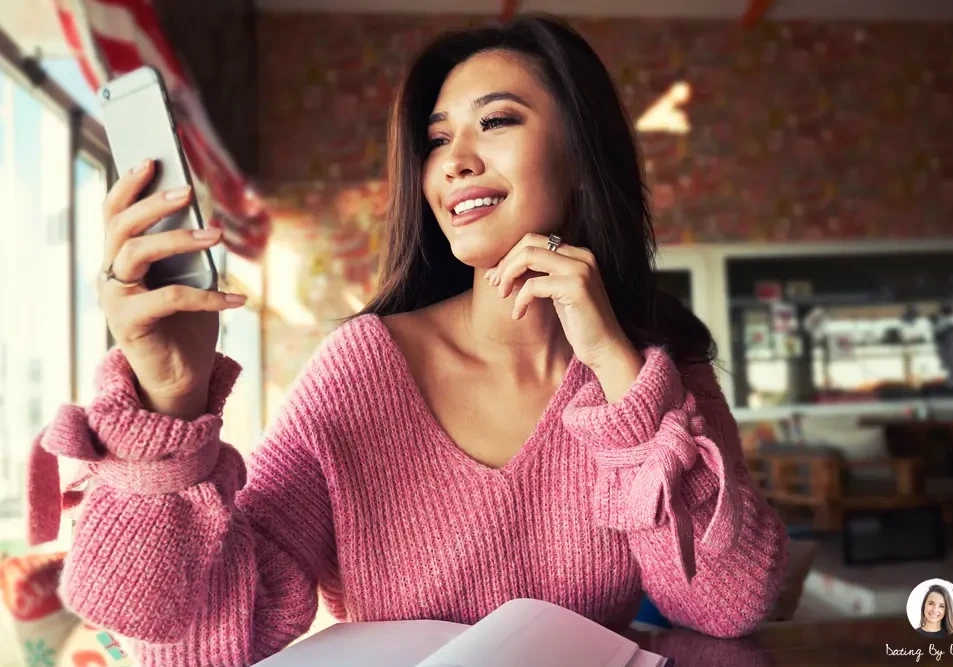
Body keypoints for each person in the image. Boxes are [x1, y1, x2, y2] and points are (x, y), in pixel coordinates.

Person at [26, 15, 788, 666]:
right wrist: (168, 394)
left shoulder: (657, 364)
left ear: (583, 160)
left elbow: (728, 603)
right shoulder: (364, 367)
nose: (454, 159)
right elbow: (196, 643)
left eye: (496, 120)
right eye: (434, 138)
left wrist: (620, 373)